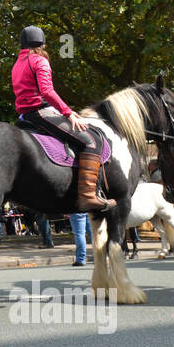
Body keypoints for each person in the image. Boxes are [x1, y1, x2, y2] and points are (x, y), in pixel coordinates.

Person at [12, 25, 115, 211]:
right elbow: (47, 91)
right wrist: (68, 112)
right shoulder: (39, 61)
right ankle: (88, 196)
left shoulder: (17, 64)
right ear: (41, 44)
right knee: (91, 140)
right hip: (41, 111)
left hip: (25, 115)